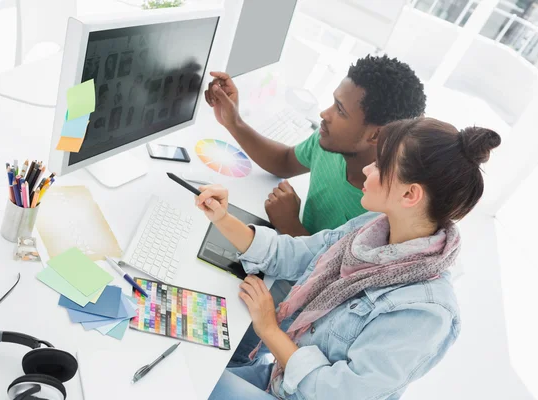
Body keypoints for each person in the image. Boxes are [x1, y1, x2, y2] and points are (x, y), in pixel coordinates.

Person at [194, 118, 500, 399]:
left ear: (410, 195)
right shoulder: (370, 229)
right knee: (193, 365)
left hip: (302, 391)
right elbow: (294, 255)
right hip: (282, 379)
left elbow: (335, 393)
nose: (368, 169)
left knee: (188, 384)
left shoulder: (425, 312)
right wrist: (222, 217)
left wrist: (269, 329)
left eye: (380, 165)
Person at [204, 55, 426, 237]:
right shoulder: (332, 144)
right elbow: (284, 161)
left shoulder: (385, 213)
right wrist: (233, 122)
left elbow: (338, 278)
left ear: (376, 134)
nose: (324, 114)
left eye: (340, 110)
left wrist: (291, 227)